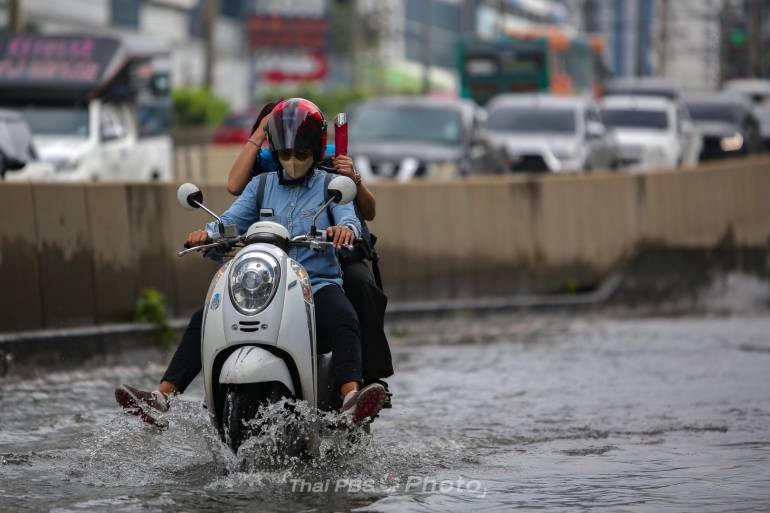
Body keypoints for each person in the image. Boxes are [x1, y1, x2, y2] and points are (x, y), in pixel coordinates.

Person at [115, 98, 387, 426]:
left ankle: (349, 400)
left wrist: (344, 229)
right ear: (275, 152)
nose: (293, 161)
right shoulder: (260, 185)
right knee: (204, 318)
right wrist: (207, 233)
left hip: (313, 285)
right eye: (285, 155)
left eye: (301, 154)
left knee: (344, 318)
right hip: (263, 286)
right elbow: (229, 221)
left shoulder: (332, 185)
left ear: (316, 150)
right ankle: (162, 397)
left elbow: (350, 217)